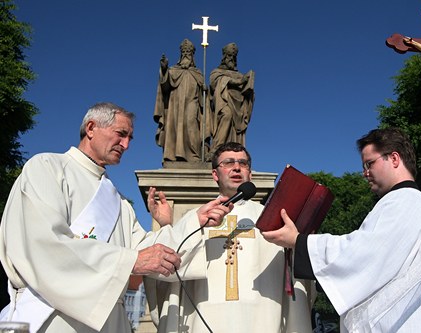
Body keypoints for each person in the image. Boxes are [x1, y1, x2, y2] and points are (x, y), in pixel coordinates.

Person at [0, 102, 231, 333]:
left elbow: (146, 253)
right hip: (52, 315)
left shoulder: (119, 201)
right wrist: (130, 261)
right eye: (121, 134)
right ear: (91, 128)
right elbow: (41, 244)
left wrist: (194, 220)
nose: (126, 144)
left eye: (130, 138)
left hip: (110, 319)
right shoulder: (47, 168)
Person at [262, 128, 421, 332]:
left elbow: (363, 253)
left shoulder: (405, 200)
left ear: (395, 159)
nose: (365, 173)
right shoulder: (405, 202)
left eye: (369, 164)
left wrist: (299, 241)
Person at [145, 142, 314, 333]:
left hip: (263, 317)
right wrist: (167, 226)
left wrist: (302, 240)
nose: (236, 167)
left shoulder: (273, 218)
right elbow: (171, 265)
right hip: (202, 315)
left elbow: (293, 274)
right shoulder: (197, 218)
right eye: (229, 162)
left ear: (250, 174)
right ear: (215, 174)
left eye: (243, 163)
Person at [154, 38, 206, 162]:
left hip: (192, 103)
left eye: (189, 53)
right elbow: (164, 86)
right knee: (175, 127)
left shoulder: (197, 73)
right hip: (175, 105)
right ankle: (173, 155)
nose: (186, 55)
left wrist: (205, 90)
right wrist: (164, 69)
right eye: (184, 53)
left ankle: (194, 154)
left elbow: (204, 100)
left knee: (191, 124)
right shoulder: (173, 71)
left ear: (193, 55)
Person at [208, 43, 255, 160]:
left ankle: (234, 152)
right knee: (226, 114)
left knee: (235, 128)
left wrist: (249, 89)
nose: (231, 59)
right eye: (229, 56)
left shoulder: (239, 74)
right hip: (223, 101)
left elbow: (245, 91)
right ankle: (216, 149)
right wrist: (236, 82)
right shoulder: (217, 72)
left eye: (233, 57)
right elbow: (214, 84)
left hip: (238, 106)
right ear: (224, 57)